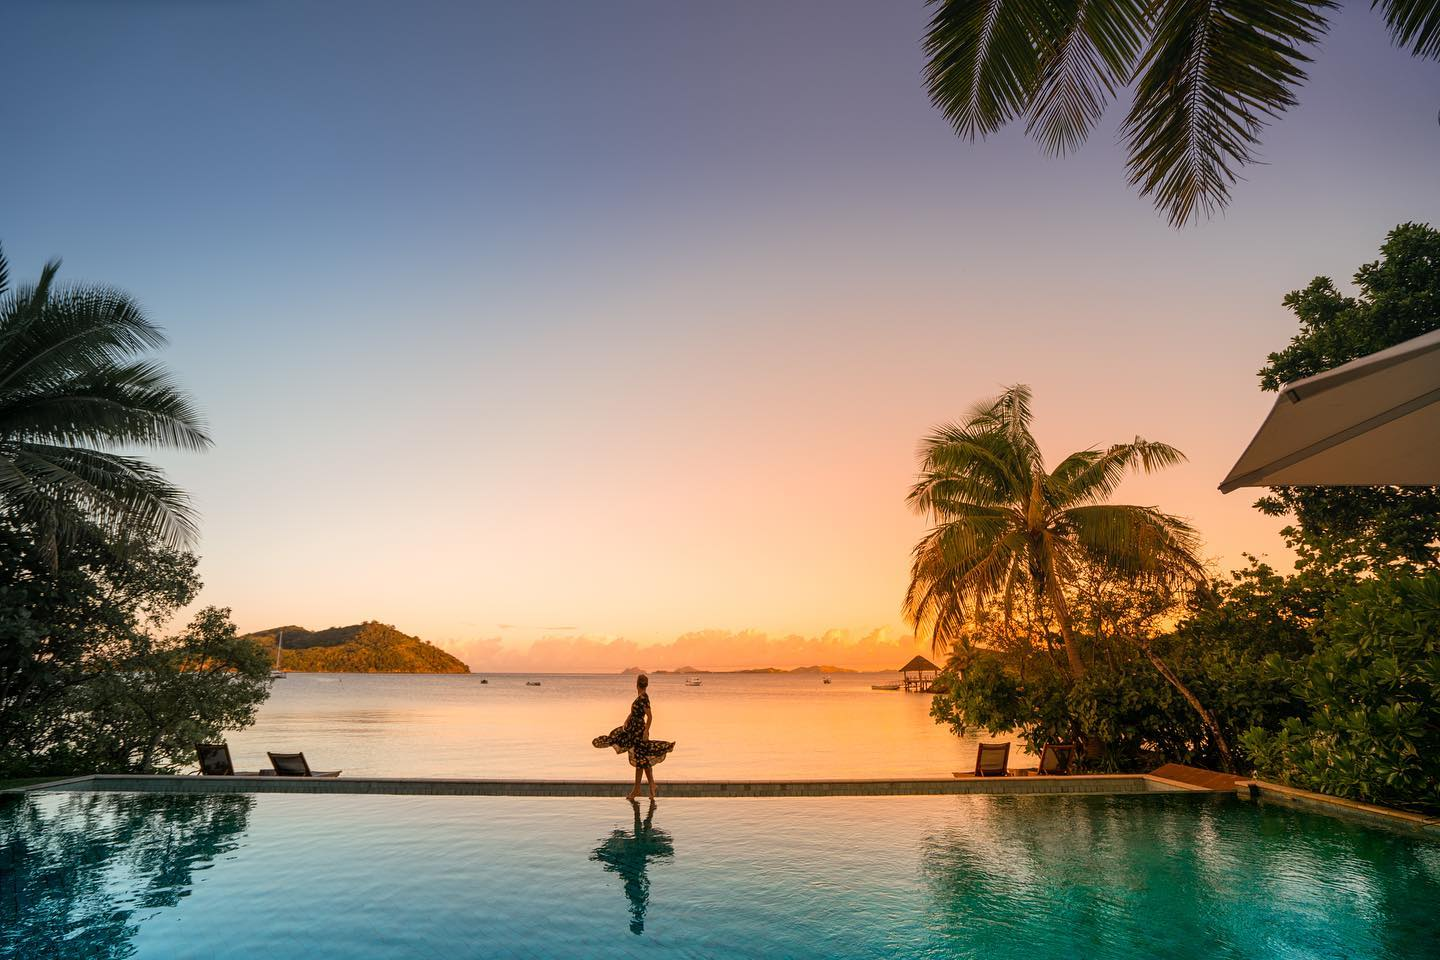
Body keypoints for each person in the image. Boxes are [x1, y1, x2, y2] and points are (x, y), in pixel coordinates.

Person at [592, 674, 675, 799]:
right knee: (642, 759)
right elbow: (634, 713)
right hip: (633, 730)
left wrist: (646, 732)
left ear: (637, 684)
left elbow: (650, 716)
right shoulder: (640, 698)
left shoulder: (644, 698)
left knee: (640, 759)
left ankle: (639, 789)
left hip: (639, 732)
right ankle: (649, 786)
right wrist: (627, 719)